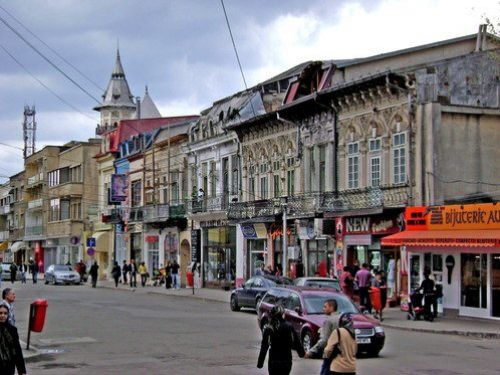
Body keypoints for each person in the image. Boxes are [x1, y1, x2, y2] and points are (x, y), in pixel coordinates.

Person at [257, 304, 305, 374]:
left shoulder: (269, 328)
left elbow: (264, 347)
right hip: (286, 360)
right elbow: (296, 342)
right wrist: (302, 353)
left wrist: (260, 363)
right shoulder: (289, 326)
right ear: (282, 314)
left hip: (274, 360)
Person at [305, 299, 339, 375]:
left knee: (325, 371)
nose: (323, 309)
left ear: (331, 307)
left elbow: (324, 340)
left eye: (325, 307)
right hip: (341, 353)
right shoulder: (341, 318)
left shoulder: (329, 321)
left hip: (330, 353)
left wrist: (311, 351)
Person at [0, 302, 26, 375]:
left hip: (8, 366)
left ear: (8, 315)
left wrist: (21, 370)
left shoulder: (12, 330)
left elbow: (17, 350)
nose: (2, 315)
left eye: (5, 313)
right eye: (0, 313)